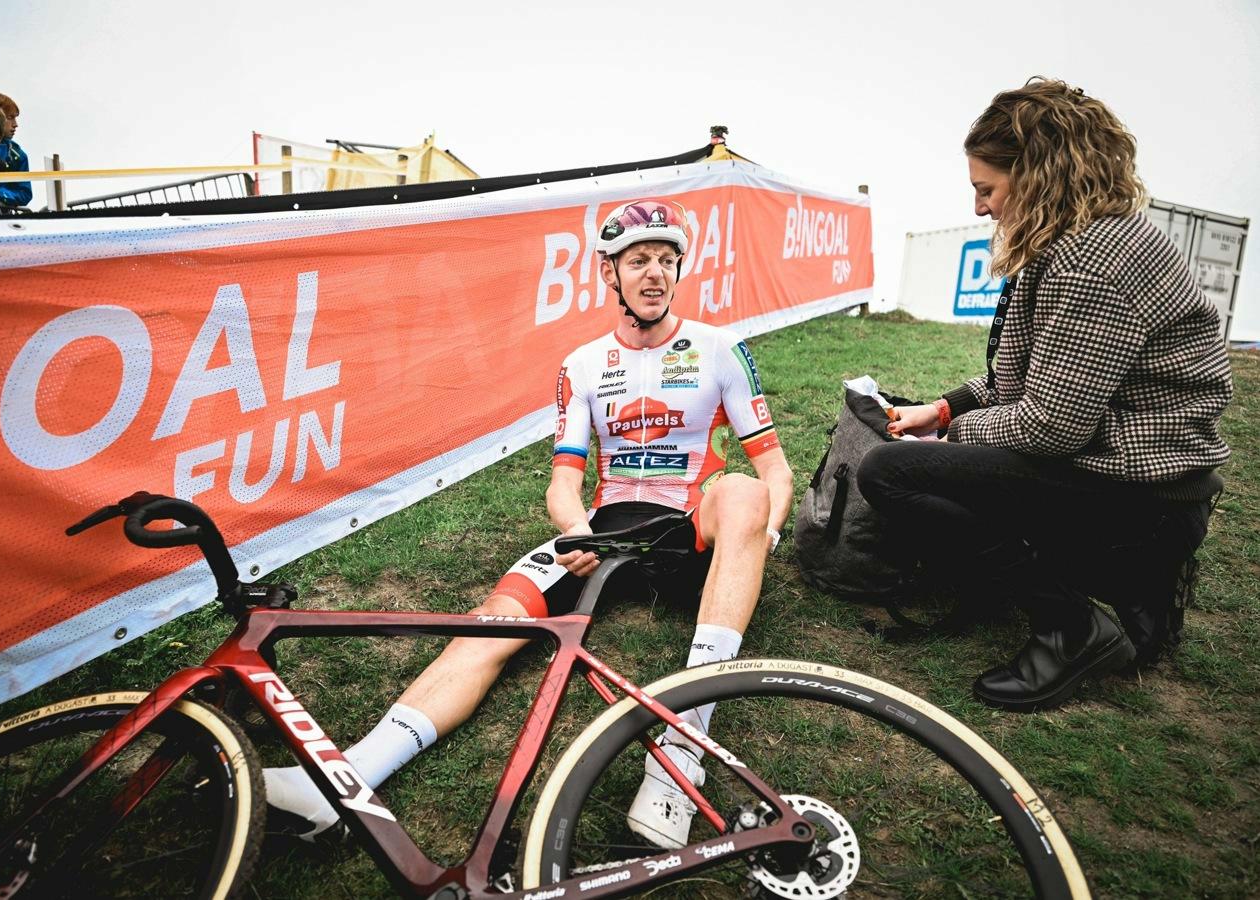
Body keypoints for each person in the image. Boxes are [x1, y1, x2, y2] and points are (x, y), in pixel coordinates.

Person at [264, 198, 794, 847]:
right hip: (605, 532)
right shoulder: (582, 364)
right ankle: (343, 780)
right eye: (638, 260)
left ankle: (682, 756)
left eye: (665, 259)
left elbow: (775, 472)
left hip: (691, 527)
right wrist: (578, 533)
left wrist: (759, 537)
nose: (653, 273)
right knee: (490, 625)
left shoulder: (719, 348)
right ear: (609, 273)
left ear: (678, 269)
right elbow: (564, 483)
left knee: (742, 492)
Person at [857, 78, 1232, 713]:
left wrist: (948, 439)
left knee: (891, 472)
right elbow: (1040, 379)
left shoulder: (1092, 261)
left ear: (1038, 176)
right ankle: (1137, 594)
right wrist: (945, 406)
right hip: (1148, 485)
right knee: (933, 459)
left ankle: (1070, 625)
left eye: (988, 189)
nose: (980, 208)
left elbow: (1053, 427)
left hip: (1140, 499)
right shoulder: (1093, 238)